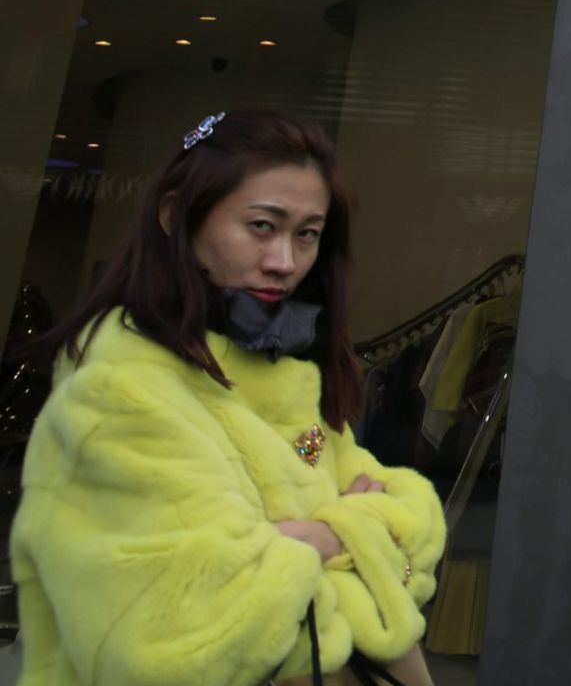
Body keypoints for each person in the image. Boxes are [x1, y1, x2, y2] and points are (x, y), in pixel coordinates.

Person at [11, 110, 445, 686]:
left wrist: (312, 542)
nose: (284, 262)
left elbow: (416, 531)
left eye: (307, 234)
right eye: (262, 226)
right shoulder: (118, 394)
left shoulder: (290, 376)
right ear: (176, 217)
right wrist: (358, 542)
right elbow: (191, 637)